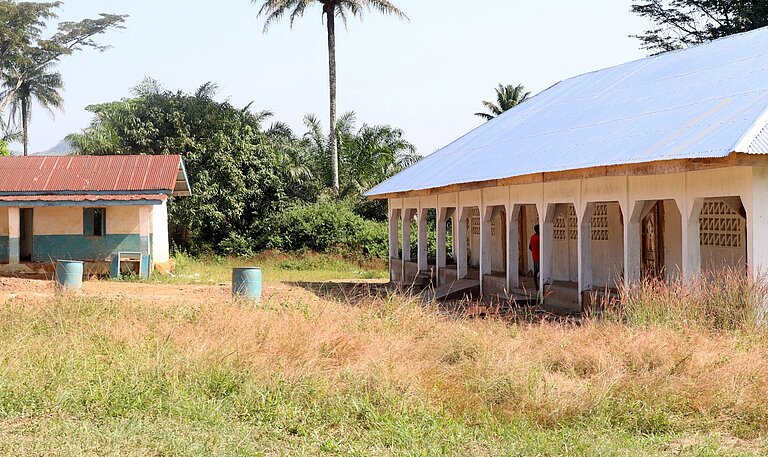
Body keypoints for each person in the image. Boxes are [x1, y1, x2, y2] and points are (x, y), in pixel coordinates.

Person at [529, 224, 540, 291]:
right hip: (540, 257)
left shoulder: (532, 237)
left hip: (535, 257)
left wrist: (534, 251)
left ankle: (536, 286)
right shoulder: (539, 237)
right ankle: (540, 285)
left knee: (536, 272)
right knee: (540, 271)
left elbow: (530, 247)